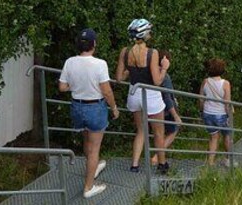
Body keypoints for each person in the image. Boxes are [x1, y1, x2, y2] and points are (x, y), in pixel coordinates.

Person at [58, 29, 119, 199]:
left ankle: (95, 166)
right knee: (94, 149)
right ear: (94, 44)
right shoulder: (100, 64)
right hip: (95, 108)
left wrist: (77, 86)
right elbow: (106, 91)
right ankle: (88, 187)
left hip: (77, 107)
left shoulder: (70, 62)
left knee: (87, 141)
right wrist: (114, 107)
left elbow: (62, 87)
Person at [116, 18, 169, 174]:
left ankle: (134, 165)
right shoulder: (152, 53)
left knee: (141, 130)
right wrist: (164, 68)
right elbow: (157, 81)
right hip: (151, 96)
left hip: (133, 95)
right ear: (145, 34)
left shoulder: (125, 52)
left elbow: (119, 78)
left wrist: (131, 70)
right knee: (159, 132)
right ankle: (162, 164)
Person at [200, 58, 232, 166]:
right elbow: (227, 102)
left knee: (214, 137)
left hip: (208, 113)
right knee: (227, 135)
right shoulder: (225, 83)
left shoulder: (205, 81)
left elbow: (200, 98)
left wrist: (202, 111)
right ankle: (228, 159)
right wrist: (229, 115)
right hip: (221, 114)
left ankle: (210, 161)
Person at [156, 50, 181, 161]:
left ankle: (158, 156)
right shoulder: (164, 76)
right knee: (173, 130)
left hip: (156, 108)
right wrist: (175, 115)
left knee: (159, 133)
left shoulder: (153, 73)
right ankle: (157, 156)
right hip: (166, 109)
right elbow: (167, 97)